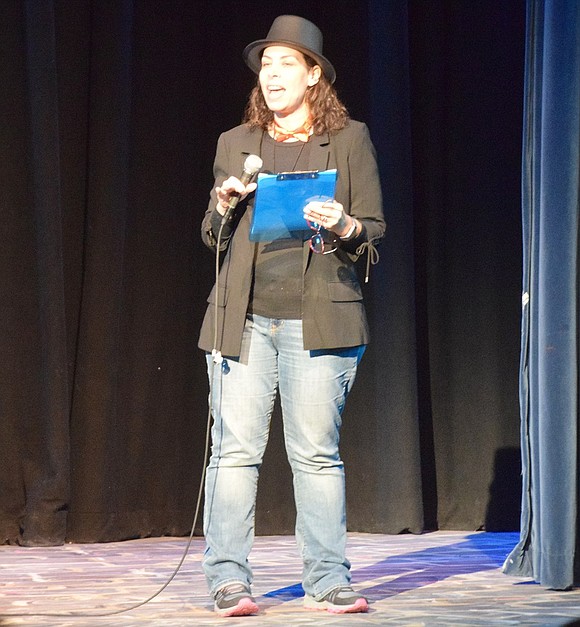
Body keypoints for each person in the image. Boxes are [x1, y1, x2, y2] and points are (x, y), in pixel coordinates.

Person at [198, 14, 385, 617]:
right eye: (266, 64)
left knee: (315, 454)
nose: (272, 73)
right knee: (233, 454)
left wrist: (342, 222)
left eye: (286, 63)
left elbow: (372, 232)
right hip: (242, 321)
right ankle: (228, 580)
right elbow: (211, 235)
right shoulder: (237, 143)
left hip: (319, 322)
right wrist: (225, 205)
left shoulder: (350, 140)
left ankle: (328, 579)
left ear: (313, 77)